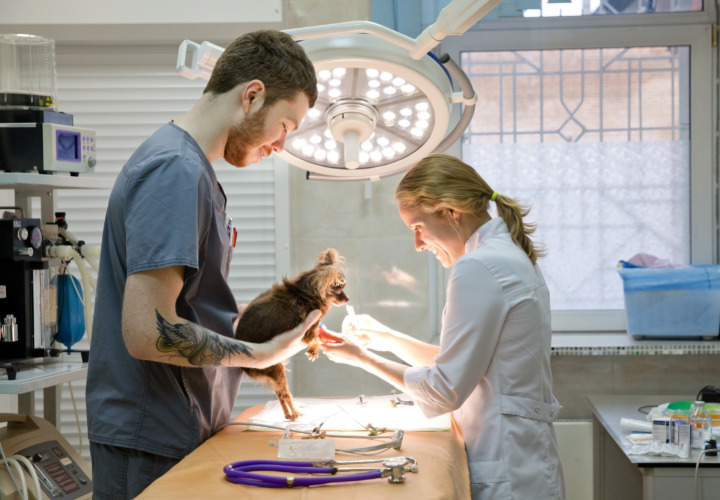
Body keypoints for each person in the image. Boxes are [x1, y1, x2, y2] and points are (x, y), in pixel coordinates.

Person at [85, 30, 320, 499]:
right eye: (286, 126)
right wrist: (261, 354)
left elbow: (192, 305)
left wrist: (272, 325)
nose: (281, 145)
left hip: (177, 428)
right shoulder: (175, 170)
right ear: (252, 96)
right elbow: (148, 331)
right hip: (152, 438)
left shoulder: (194, 171)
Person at [322, 153, 566, 499]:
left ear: (452, 212)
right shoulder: (505, 255)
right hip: (522, 461)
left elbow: (446, 389)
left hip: (508, 467)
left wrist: (362, 358)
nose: (419, 245)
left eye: (418, 227)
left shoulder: (479, 267)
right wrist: (386, 337)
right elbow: (467, 364)